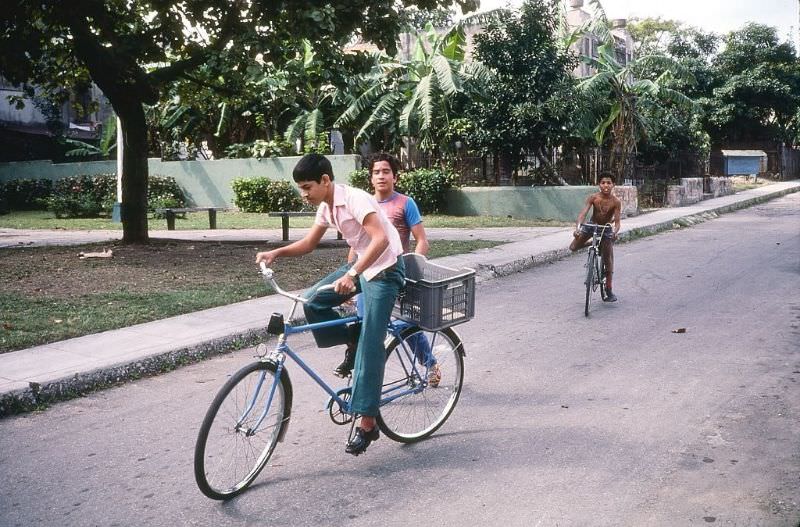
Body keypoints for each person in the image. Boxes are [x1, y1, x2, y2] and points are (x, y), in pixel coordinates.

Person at [255, 153, 405, 456]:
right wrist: (277, 253)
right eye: (300, 188)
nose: (304, 194)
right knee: (313, 302)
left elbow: (381, 240)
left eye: (307, 187)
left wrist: (352, 274)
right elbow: (310, 243)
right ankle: (352, 336)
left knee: (371, 344)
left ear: (325, 180)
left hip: (385, 270)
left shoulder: (355, 199)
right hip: (362, 267)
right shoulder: (326, 206)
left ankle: (367, 423)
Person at [334, 153, 440, 388]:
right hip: (366, 274)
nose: (381, 176)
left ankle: (429, 362)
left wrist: (414, 269)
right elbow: (357, 245)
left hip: (393, 274)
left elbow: (422, 241)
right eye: (376, 172)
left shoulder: (405, 203)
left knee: (403, 325)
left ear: (395, 176)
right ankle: (361, 380)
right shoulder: (363, 202)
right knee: (364, 328)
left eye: (385, 171)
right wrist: (350, 277)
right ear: (370, 178)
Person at [569, 171, 621, 302]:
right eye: (603, 182)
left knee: (608, 257)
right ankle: (594, 243)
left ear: (613, 185)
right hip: (592, 225)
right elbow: (583, 214)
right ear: (599, 184)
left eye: (609, 183)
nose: (606, 185)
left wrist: (615, 232)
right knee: (573, 247)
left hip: (606, 229)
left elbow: (618, 222)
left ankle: (608, 289)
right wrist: (578, 228)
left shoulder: (616, 202)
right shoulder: (593, 198)